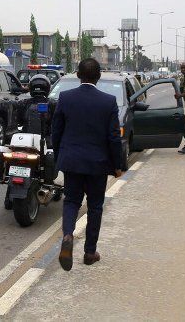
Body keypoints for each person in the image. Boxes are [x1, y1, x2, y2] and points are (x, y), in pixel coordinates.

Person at [51, 58, 123, 271]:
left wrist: (60, 156)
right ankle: (90, 252)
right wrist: (117, 164)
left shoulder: (65, 98)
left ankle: (67, 235)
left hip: (72, 161)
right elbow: (113, 138)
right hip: (98, 164)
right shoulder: (108, 101)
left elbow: (56, 131)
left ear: (77, 75)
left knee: (71, 201)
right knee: (95, 207)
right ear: (99, 76)